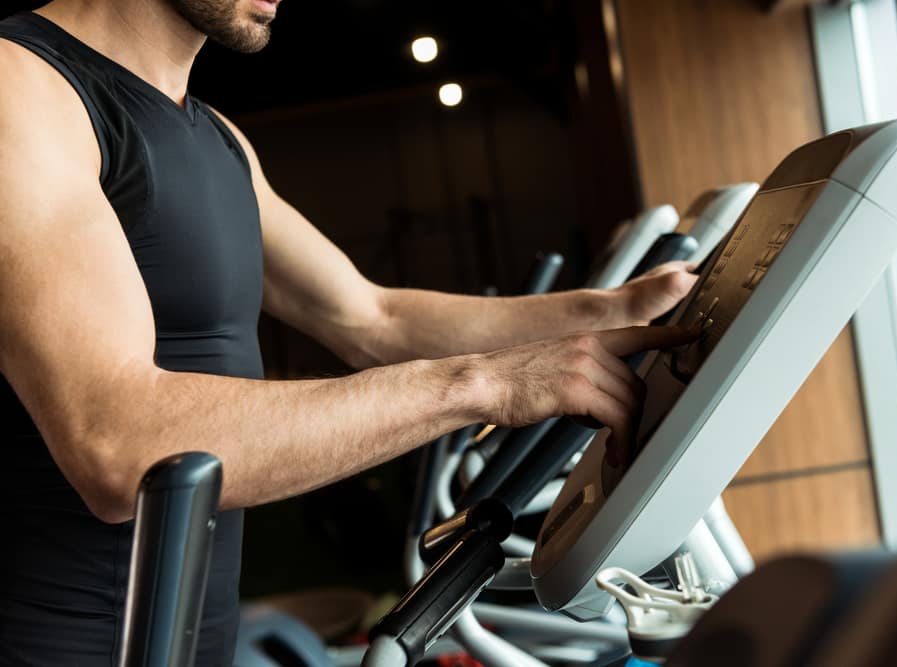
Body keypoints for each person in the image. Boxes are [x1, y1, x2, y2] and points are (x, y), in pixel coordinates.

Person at [0, 0, 697, 663]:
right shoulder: (19, 86)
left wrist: (615, 309)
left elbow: (371, 317)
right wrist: (485, 383)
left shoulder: (215, 136)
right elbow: (118, 445)